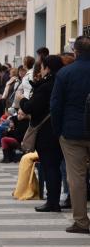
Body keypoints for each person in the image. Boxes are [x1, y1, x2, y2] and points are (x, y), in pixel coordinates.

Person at [51, 36, 90, 232]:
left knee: (76, 178)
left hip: (72, 131)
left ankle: (81, 221)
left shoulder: (66, 73)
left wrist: (58, 130)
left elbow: (56, 105)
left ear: (76, 51)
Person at [19, 55, 64, 213]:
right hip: (59, 130)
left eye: (42, 67)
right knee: (56, 167)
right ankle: (56, 200)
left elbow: (31, 107)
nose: (41, 71)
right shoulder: (60, 82)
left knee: (49, 166)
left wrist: (22, 100)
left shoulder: (47, 86)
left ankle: (53, 202)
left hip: (46, 132)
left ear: (47, 68)